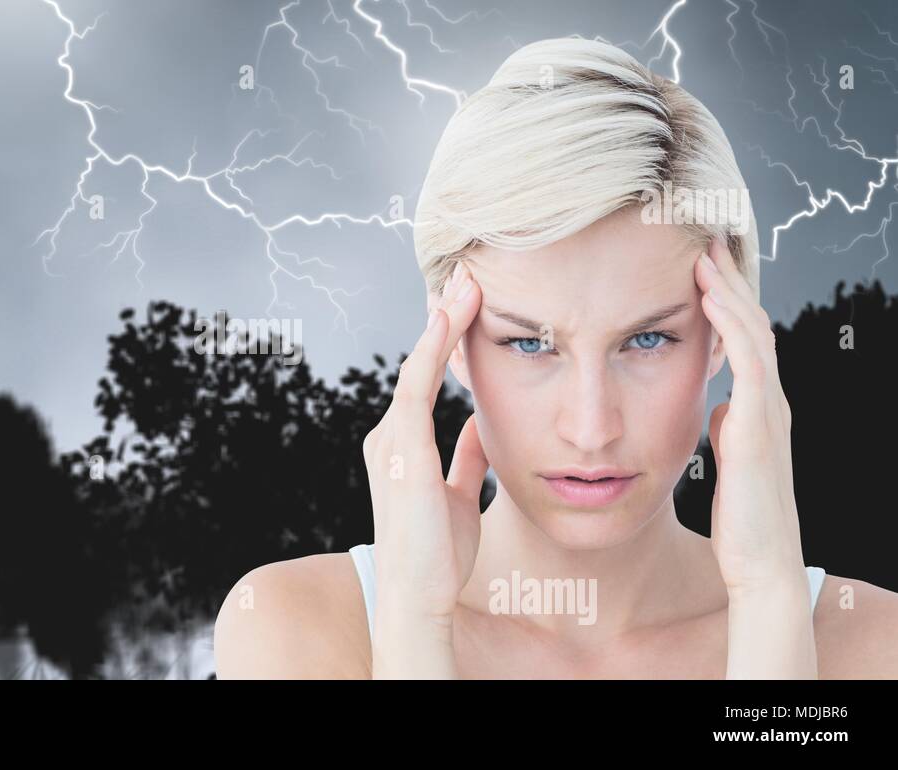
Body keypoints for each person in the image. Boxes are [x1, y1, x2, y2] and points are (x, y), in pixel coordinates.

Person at [213, 37, 898, 679]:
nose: (591, 428)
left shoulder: (871, 644)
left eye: (647, 339)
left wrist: (769, 596)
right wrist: (415, 625)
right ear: (447, 338)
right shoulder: (296, 627)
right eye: (531, 344)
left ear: (728, 332)